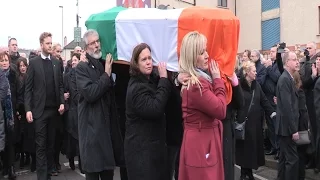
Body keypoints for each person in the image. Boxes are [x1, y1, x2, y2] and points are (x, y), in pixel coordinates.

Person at [76, 29, 124, 180]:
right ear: (86, 48)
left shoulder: (102, 63)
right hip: (92, 133)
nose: (97, 45)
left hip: (106, 131)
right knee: (93, 172)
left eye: (98, 41)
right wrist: (106, 75)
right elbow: (91, 93)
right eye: (92, 43)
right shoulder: (81, 68)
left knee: (107, 173)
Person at [178, 31, 227, 180]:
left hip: (202, 142)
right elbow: (220, 110)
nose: (207, 55)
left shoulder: (198, 80)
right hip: (201, 144)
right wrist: (218, 80)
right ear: (192, 57)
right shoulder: (196, 84)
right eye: (201, 52)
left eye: (206, 50)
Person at [124, 43, 171, 180]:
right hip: (142, 154)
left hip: (151, 151)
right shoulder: (137, 87)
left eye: (150, 58)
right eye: (144, 60)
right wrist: (163, 79)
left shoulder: (148, 80)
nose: (149, 62)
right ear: (136, 64)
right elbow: (155, 108)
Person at [24, 32, 65, 180]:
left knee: (50, 145)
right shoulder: (34, 63)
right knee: (40, 145)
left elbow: (60, 85)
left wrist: (62, 102)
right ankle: (42, 177)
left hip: (53, 111)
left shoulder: (55, 62)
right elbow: (28, 88)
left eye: (51, 43)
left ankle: (48, 174)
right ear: (41, 45)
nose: (50, 45)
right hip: (39, 112)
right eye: (47, 43)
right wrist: (28, 109)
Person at [276, 51, 300, 180]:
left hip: (285, 127)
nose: (297, 62)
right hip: (286, 128)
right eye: (294, 59)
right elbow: (287, 108)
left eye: (297, 59)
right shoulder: (285, 79)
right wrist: (293, 130)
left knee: (284, 158)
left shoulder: (288, 78)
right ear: (286, 62)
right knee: (292, 160)